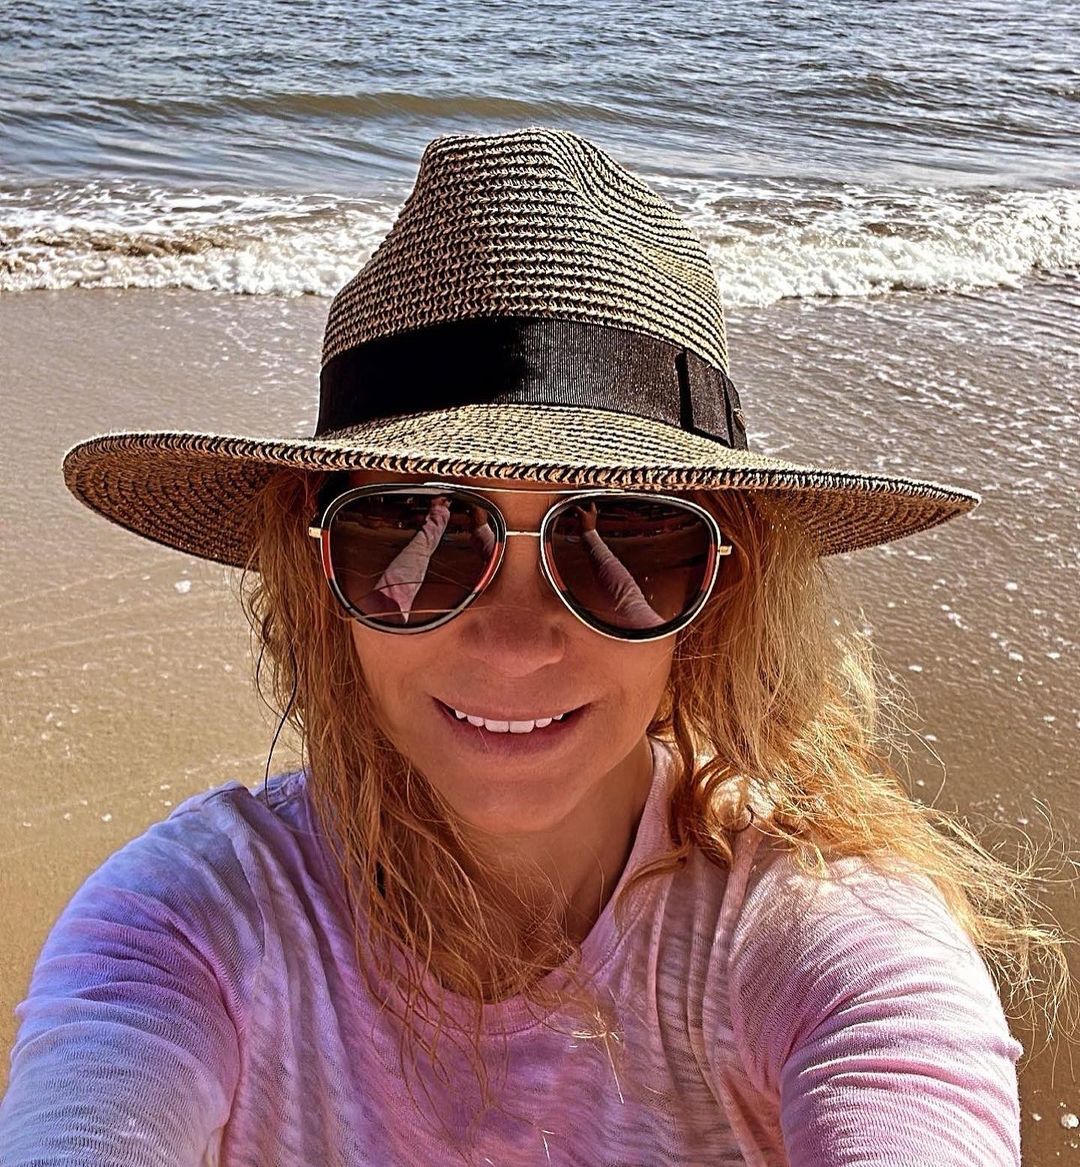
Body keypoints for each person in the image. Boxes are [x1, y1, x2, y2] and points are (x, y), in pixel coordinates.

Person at [0, 126, 1068, 1166]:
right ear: (315, 572)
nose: (514, 645)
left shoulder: (825, 942)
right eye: (414, 526)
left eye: (624, 535)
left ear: (721, 589)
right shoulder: (186, 927)